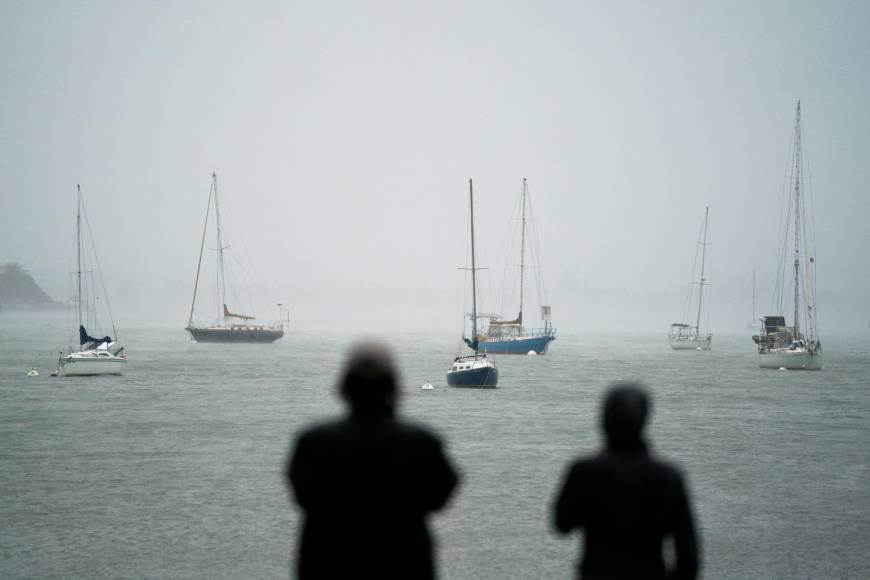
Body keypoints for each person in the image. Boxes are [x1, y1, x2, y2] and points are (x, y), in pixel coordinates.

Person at [286, 341, 459, 579]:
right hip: (404, 562)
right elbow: (440, 496)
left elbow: (302, 496)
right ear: (394, 389)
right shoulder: (422, 443)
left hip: (328, 562)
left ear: (344, 389)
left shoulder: (313, 442)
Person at [553, 382, 700, 580]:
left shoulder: (585, 471)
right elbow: (689, 557)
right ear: (644, 420)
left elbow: (562, 524)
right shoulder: (669, 477)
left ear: (604, 420)